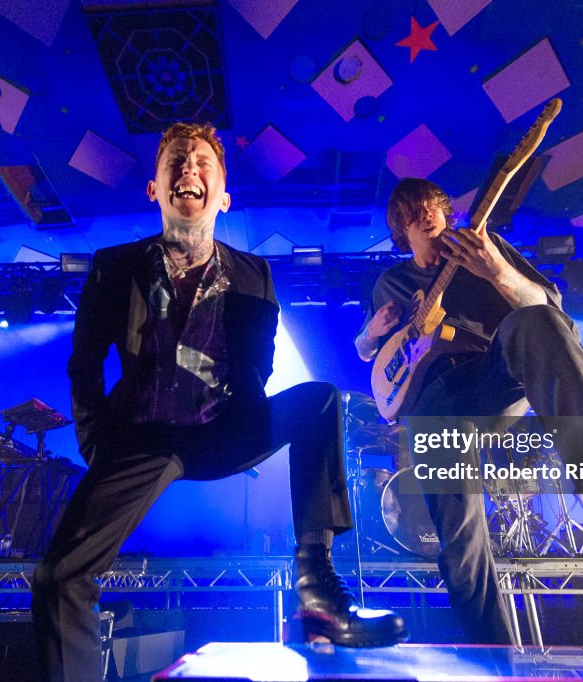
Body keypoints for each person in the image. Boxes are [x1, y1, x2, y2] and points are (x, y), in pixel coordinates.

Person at [31, 122, 405, 681]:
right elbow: (84, 365)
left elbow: (264, 364)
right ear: (154, 189)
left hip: (226, 426)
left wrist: (243, 407)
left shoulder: (255, 272)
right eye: (176, 161)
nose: (188, 168)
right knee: (60, 576)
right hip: (143, 437)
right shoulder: (115, 266)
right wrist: (96, 442)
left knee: (320, 401)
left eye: (202, 161)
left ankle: (318, 595)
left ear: (223, 196)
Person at [354, 178, 583, 662]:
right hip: (431, 406)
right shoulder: (390, 283)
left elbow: (555, 317)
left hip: (492, 379)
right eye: (412, 212)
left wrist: (496, 272)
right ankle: (495, 660)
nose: (426, 213)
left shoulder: (484, 247)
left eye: (433, 203)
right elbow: (366, 352)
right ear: (401, 230)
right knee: (460, 541)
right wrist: (373, 332)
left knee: (534, 323)